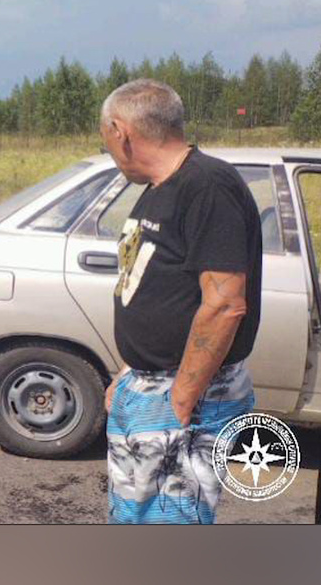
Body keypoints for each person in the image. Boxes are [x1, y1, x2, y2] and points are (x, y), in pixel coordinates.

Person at [99, 79, 261, 525]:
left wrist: (182, 400)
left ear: (120, 130)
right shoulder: (158, 188)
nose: (108, 147)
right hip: (149, 385)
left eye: (105, 137)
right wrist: (130, 370)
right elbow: (154, 287)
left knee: (171, 524)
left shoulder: (207, 185)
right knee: (135, 519)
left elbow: (226, 304)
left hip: (188, 394)